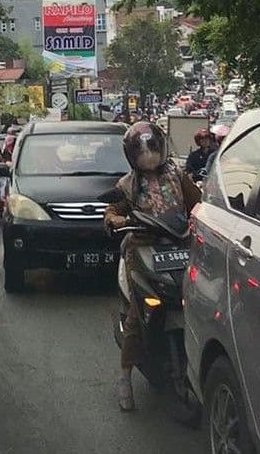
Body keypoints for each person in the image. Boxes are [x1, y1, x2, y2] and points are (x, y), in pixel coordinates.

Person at [103, 121, 202, 412]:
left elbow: (197, 203)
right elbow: (112, 211)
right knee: (138, 313)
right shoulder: (127, 184)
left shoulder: (177, 175)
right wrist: (114, 220)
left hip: (180, 245)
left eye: (152, 149)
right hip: (143, 248)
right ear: (132, 155)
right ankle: (124, 377)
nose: (149, 156)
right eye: (142, 151)